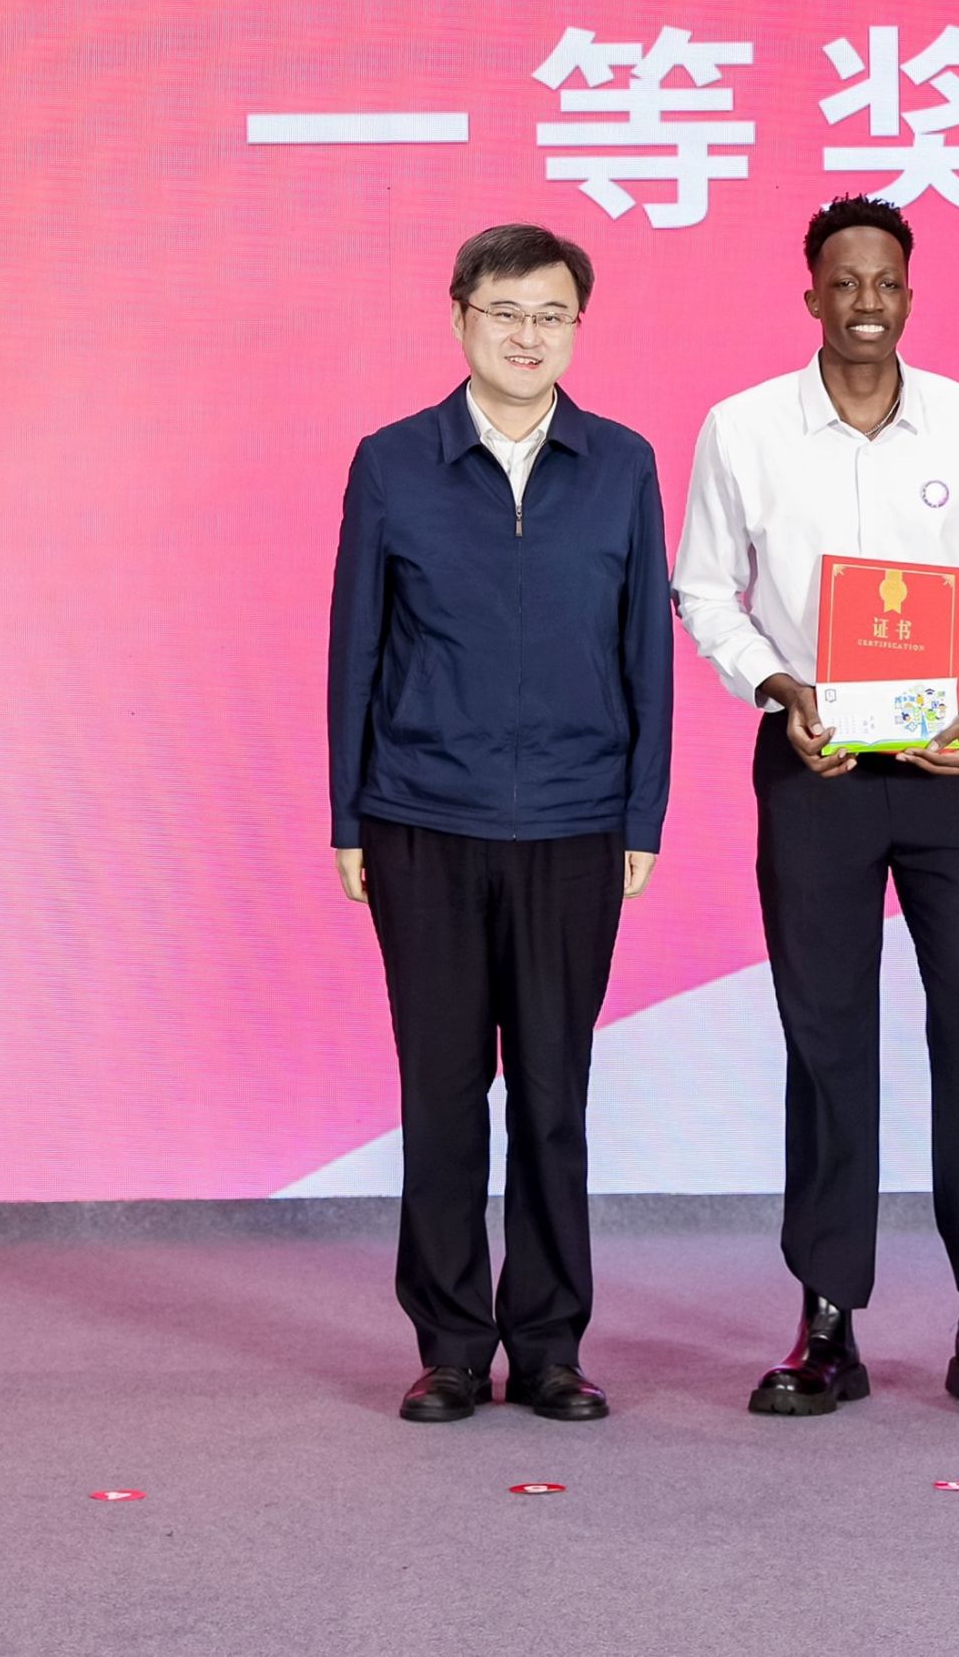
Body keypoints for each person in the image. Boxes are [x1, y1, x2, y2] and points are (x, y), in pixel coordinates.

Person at [673, 195, 959, 1421]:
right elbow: (703, 589)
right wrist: (772, 684)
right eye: (842, 283)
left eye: (884, 282)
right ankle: (826, 1319)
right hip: (814, 757)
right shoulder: (743, 429)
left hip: (952, 757)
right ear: (810, 296)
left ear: (909, 293)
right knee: (825, 1034)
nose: (865, 303)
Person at [329, 222, 674, 1427]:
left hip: (576, 822)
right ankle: (447, 1345)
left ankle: (549, 1346)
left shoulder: (621, 463)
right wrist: (347, 813)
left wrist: (641, 813)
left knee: (553, 1094)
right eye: (505, 311)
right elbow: (355, 645)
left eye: (551, 315)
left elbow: (645, 651)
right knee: (440, 1092)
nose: (528, 335)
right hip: (421, 818)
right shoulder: (392, 462)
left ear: (577, 328)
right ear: (459, 317)